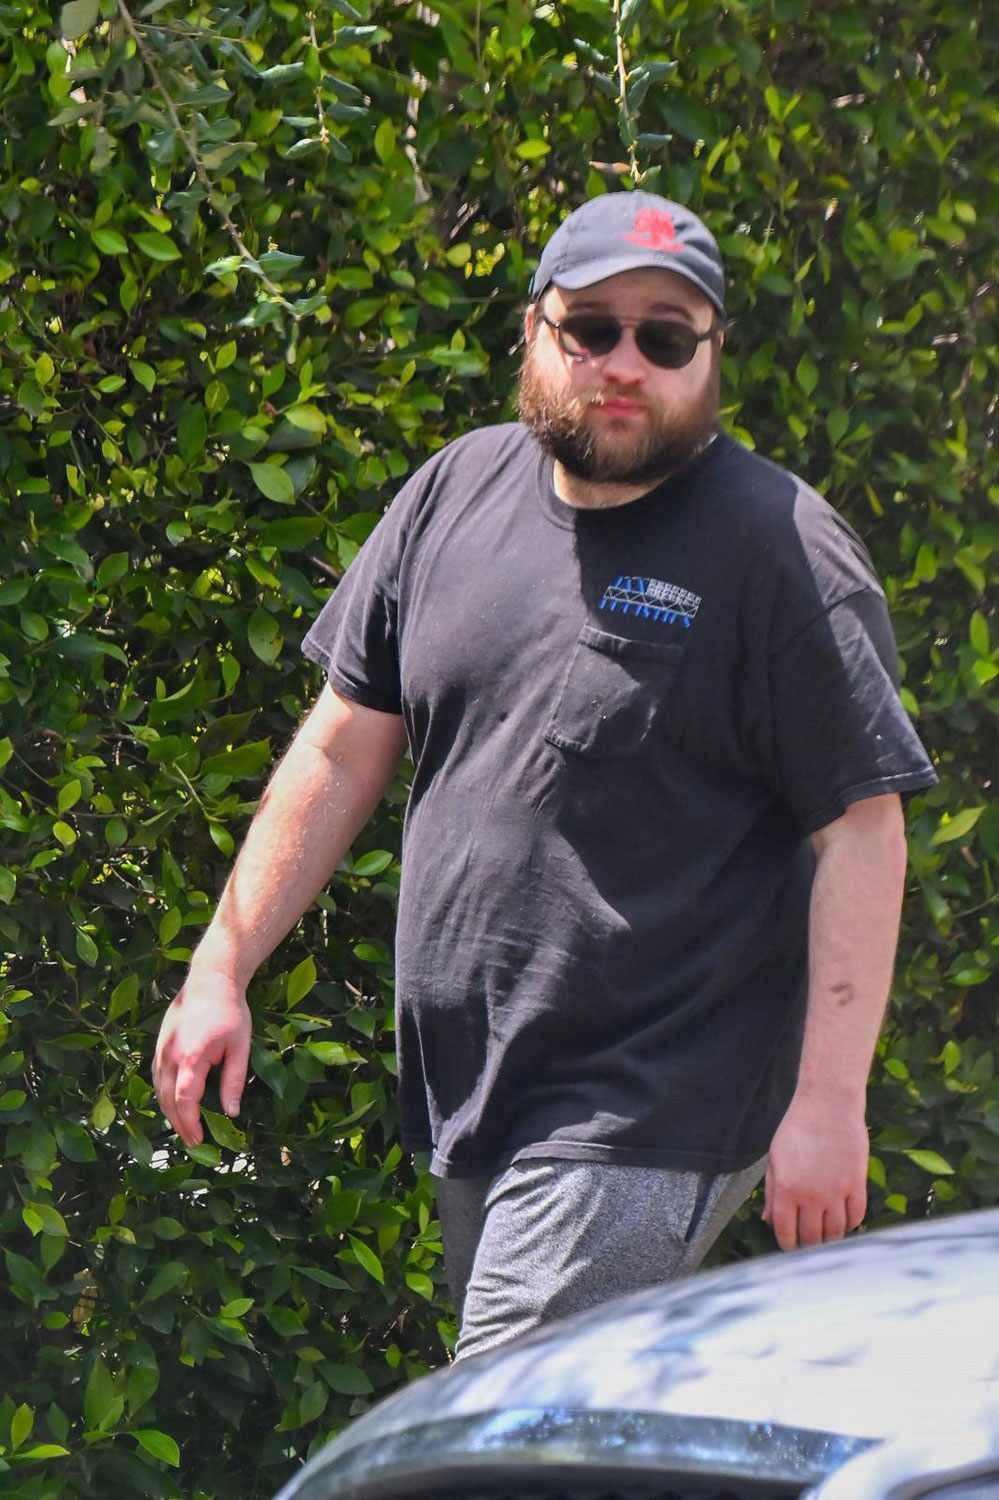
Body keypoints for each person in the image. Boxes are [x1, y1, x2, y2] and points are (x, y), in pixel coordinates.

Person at [153, 192, 937, 1360]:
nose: (625, 364)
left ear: (711, 355)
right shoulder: (450, 494)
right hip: (483, 1098)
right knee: (569, 1441)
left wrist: (828, 1103)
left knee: (502, 1434)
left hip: (653, 1099)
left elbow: (861, 834)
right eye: (594, 330)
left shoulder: (780, 550)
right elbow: (338, 746)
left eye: (666, 338)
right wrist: (223, 962)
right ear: (536, 329)